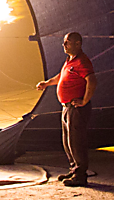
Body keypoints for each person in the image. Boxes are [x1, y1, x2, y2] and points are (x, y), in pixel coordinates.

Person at [36, 32, 97, 187]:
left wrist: (84, 100)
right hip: (66, 107)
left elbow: (92, 80)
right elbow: (61, 77)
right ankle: (73, 170)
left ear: (78, 44)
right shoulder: (70, 61)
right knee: (68, 141)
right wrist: (46, 83)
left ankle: (80, 175)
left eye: (68, 42)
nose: (64, 45)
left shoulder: (82, 61)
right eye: (64, 42)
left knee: (77, 142)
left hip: (76, 108)